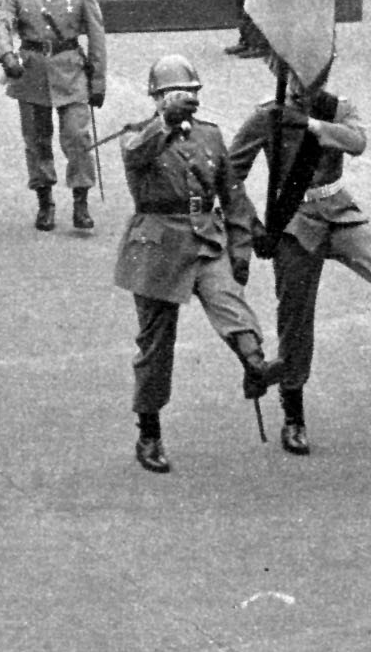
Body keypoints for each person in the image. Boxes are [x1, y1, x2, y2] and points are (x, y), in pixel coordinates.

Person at [225, 60, 371, 456]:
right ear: (285, 74)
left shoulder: (337, 108)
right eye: (296, 76)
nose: (303, 84)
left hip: (338, 208)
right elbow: (228, 173)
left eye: (313, 78)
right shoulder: (266, 115)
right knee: (295, 317)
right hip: (293, 221)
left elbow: (357, 142)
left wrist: (312, 126)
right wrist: (249, 223)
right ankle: (293, 415)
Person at [115, 54, 282, 474]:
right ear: (156, 98)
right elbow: (137, 154)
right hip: (156, 243)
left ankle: (256, 364)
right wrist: (166, 122)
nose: (185, 100)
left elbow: (234, 195)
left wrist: (240, 249)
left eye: (190, 93)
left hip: (205, 236)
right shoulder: (139, 134)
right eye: (175, 94)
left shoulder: (210, 136)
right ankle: (149, 432)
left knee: (229, 301)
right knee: (156, 344)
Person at [0, 0, 109, 232]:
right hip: (31, 72)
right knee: (36, 141)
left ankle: (81, 202)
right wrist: (7, 56)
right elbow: (2, 24)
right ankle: (44, 201)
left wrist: (97, 82)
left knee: (77, 137)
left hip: (70, 70)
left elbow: (97, 37)